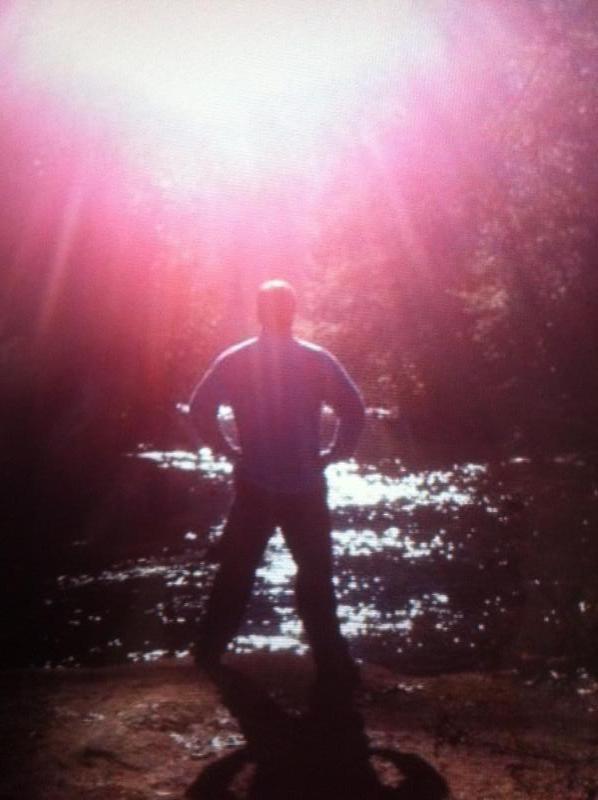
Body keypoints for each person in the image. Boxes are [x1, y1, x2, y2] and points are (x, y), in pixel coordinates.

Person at [188, 279, 365, 693]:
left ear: (258, 312)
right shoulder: (317, 360)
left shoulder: (235, 360)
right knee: (316, 574)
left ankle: (209, 652)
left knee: (237, 570)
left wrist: (225, 448)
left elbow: (199, 409)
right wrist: (337, 453)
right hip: (305, 484)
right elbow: (354, 410)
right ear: (293, 312)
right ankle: (331, 660)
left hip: (255, 482)